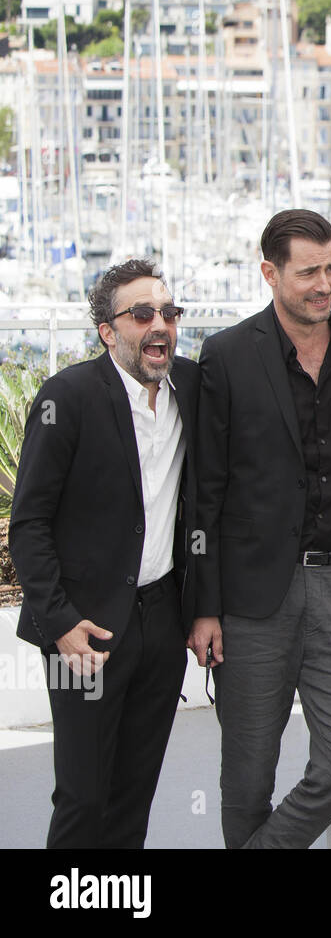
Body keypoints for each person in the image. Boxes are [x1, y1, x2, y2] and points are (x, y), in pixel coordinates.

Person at [189, 209, 331, 849]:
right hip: (252, 601)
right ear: (269, 273)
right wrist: (204, 608)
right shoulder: (226, 355)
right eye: (310, 272)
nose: (326, 284)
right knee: (247, 777)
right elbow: (205, 492)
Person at [11, 258, 197, 848]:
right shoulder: (66, 397)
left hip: (161, 625)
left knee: (133, 793)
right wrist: (59, 623)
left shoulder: (191, 390)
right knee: (83, 797)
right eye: (142, 314)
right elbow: (29, 523)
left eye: (169, 312)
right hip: (82, 629)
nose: (159, 325)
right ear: (108, 331)